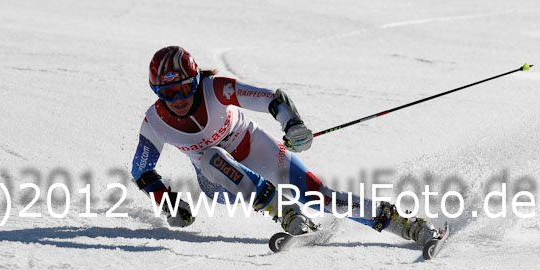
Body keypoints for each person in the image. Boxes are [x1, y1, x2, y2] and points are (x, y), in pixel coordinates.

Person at [131, 46, 443, 247]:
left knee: (319, 195)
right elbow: (141, 169)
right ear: (157, 92)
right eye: (168, 93)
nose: (179, 99)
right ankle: (282, 210)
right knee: (212, 156)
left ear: (196, 80)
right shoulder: (156, 121)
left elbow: (271, 99)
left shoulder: (215, 88)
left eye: (185, 88)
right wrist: (167, 204)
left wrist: (292, 124)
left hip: (254, 145)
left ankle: (403, 224)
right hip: (219, 182)